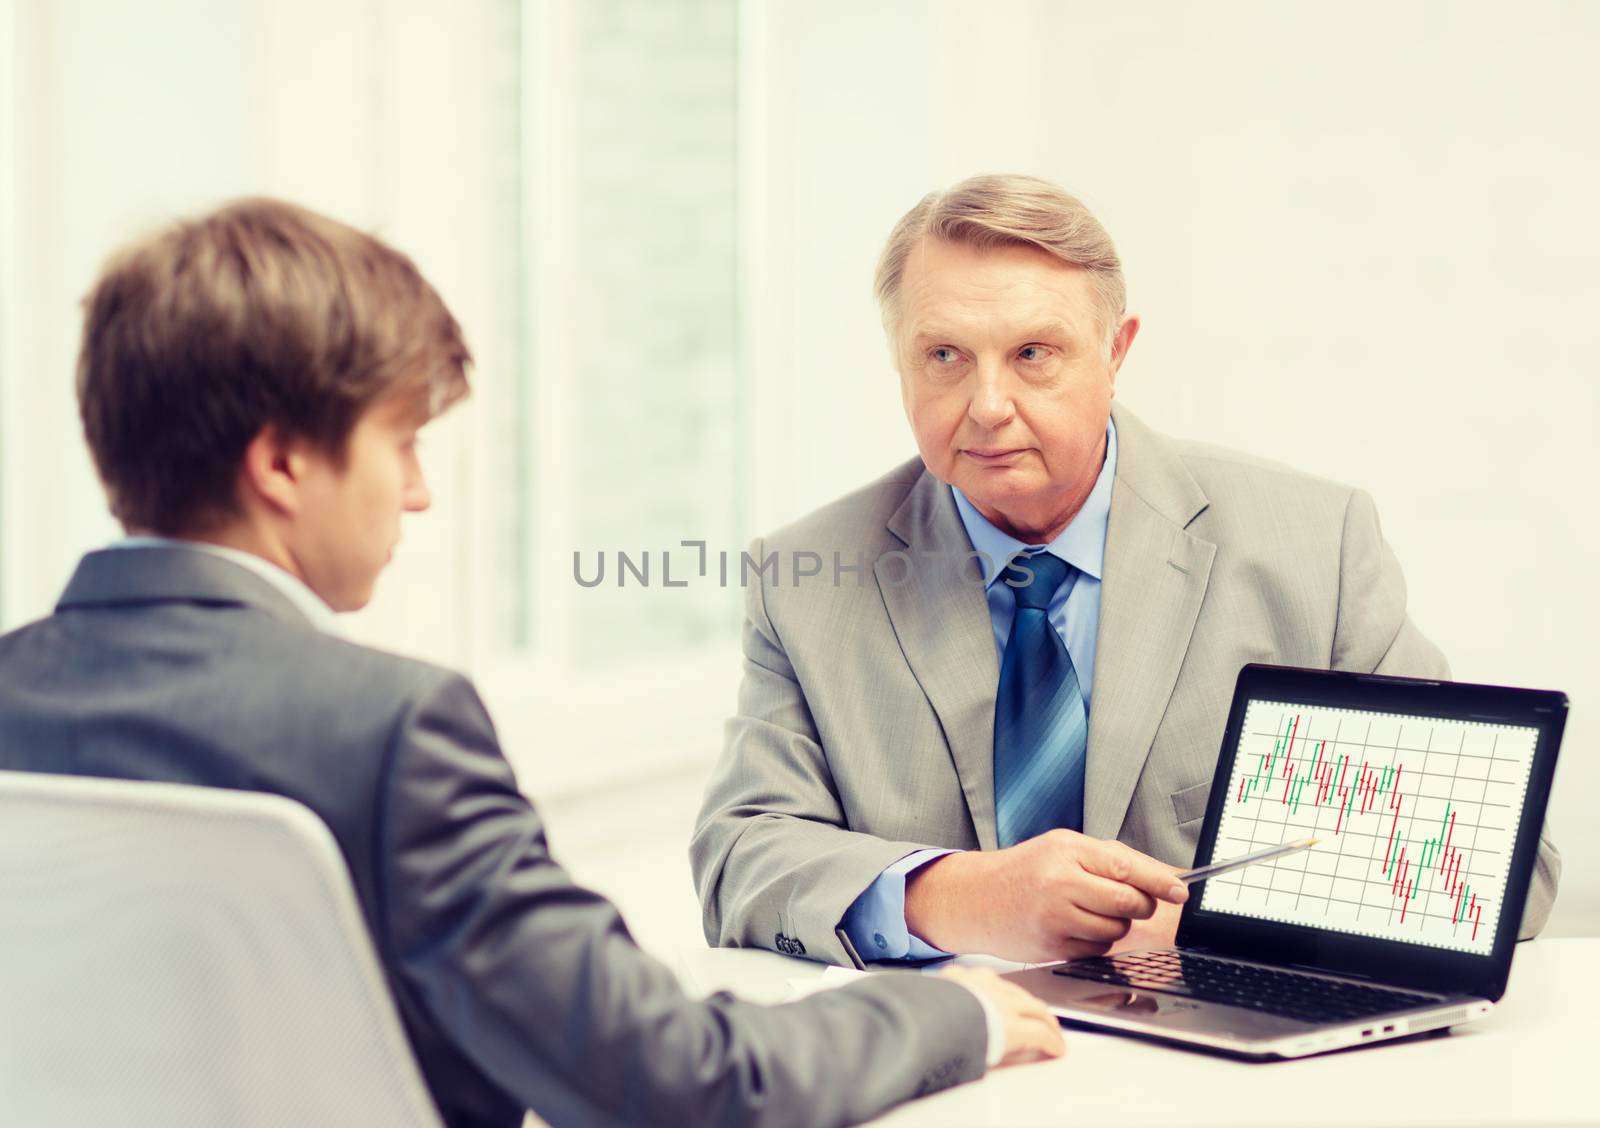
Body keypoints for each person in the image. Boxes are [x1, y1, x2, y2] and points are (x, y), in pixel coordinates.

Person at [0, 199, 1066, 1128]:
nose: (417, 492)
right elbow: (680, 1086)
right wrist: (950, 1009)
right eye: (404, 441)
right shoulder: (387, 730)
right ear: (281, 464)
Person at [690, 173, 1561, 969]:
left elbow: (1508, 873)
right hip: (946, 1060)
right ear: (900, 363)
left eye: (1035, 353)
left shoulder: (1314, 546)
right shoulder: (804, 580)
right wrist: (954, 896)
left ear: (1115, 354)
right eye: (944, 356)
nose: (988, 407)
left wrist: (1208, 923)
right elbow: (740, 857)